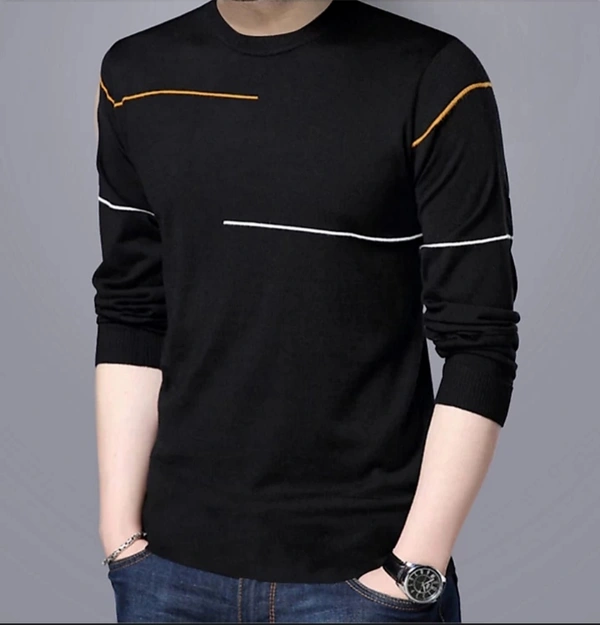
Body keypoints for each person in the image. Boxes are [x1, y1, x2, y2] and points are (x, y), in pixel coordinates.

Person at [92, 0, 520, 622]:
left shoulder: (434, 75)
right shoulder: (136, 73)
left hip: (364, 580)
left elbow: (480, 341)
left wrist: (415, 568)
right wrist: (119, 537)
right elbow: (132, 311)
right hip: (167, 576)